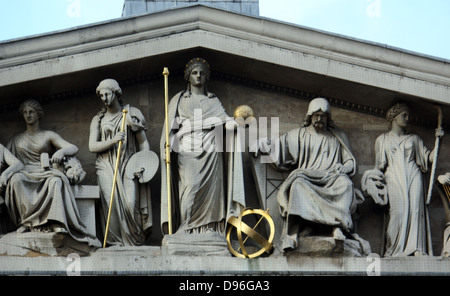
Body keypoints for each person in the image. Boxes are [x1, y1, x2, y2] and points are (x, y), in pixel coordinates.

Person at [259, 98, 366, 252]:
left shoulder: (338, 136)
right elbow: (278, 148)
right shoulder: (299, 135)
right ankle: (304, 228)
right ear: (309, 116)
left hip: (332, 178)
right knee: (297, 185)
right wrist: (262, 145)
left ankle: (337, 227)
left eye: (323, 116)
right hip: (307, 177)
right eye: (316, 115)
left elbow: (350, 161)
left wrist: (344, 167)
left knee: (346, 184)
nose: (319, 119)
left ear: (328, 117)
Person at [160, 57, 245, 236]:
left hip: (212, 150)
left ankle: (210, 228)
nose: (198, 76)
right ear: (188, 77)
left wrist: (237, 123)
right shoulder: (179, 100)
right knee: (189, 189)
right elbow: (170, 130)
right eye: (194, 73)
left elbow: (224, 122)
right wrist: (167, 145)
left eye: (202, 73)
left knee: (212, 193)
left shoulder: (213, 101)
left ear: (206, 78)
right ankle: (187, 226)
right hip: (187, 150)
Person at [5, 99, 100, 247]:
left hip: (45, 172)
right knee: (16, 180)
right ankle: (27, 222)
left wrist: (61, 151)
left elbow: (73, 147)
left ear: (39, 114)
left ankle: (56, 222)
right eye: (25, 112)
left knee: (56, 181)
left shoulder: (48, 135)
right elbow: (5, 158)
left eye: (31, 112)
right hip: (24, 172)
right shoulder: (16, 139)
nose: (28, 115)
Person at [367, 103, 443, 256]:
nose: (408, 119)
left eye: (408, 116)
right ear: (394, 118)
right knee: (398, 212)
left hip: (413, 175)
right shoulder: (382, 140)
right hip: (393, 177)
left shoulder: (414, 139)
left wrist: (438, 140)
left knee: (416, 210)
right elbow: (378, 167)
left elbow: (429, 158)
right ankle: (394, 249)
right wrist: (370, 179)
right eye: (404, 115)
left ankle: (416, 248)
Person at [89, 78, 153, 247]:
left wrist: (143, 164)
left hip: (129, 165)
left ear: (116, 94)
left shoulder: (131, 114)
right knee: (111, 203)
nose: (104, 98)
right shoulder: (98, 120)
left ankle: (133, 242)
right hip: (105, 166)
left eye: (107, 94)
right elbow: (92, 146)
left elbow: (143, 142)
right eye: (101, 95)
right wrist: (113, 141)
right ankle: (114, 243)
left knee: (131, 204)